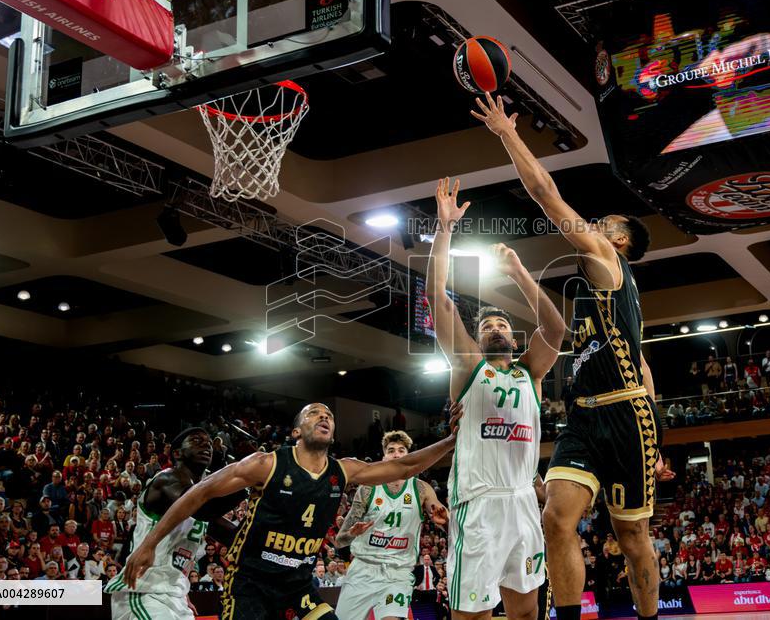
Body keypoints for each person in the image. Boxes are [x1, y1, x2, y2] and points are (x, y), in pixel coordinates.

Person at [473, 94, 673, 620]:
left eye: (603, 222)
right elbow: (644, 360)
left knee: (632, 536)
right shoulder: (604, 302)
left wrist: (505, 132)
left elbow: (544, 191)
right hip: (583, 417)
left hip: (625, 414)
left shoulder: (607, 260)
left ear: (621, 240)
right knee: (557, 520)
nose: (594, 226)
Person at [123, 403, 462, 620]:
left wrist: (449, 441)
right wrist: (150, 542)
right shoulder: (264, 464)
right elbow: (200, 493)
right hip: (251, 584)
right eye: (315, 413)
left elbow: (404, 467)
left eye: (329, 415)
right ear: (297, 430)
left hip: (297, 584)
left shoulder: (344, 471)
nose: (324, 417)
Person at [425, 177, 566, 619]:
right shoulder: (469, 367)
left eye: (502, 325)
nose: (495, 329)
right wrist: (445, 229)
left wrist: (519, 274)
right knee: (474, 614)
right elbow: (436, 296)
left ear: (514, 335)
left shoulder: (530, 371)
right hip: (479, 502)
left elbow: (557, 331)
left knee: (526, 613)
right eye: (487, 327)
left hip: (523, 500)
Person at [104, 427, 235, 619]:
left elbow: (234, 536)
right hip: (142, 592)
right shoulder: (166, 480)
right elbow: (201, 508)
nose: (206, 444)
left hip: (176, 596)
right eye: (197, 441)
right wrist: (247, 481)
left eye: (208, 442)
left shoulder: (203, 504)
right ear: (177, 453)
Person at [335, 430, 449, 620]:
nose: (396, 454)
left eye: (402, 450)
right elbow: (339, 540)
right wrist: (353, 533)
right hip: (363, 570)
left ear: (409, 456)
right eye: (391, 450)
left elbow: (446, 521)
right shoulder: (368, 488)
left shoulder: (421, 489)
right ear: (384, 456)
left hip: (398, 573)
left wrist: (445, 523)